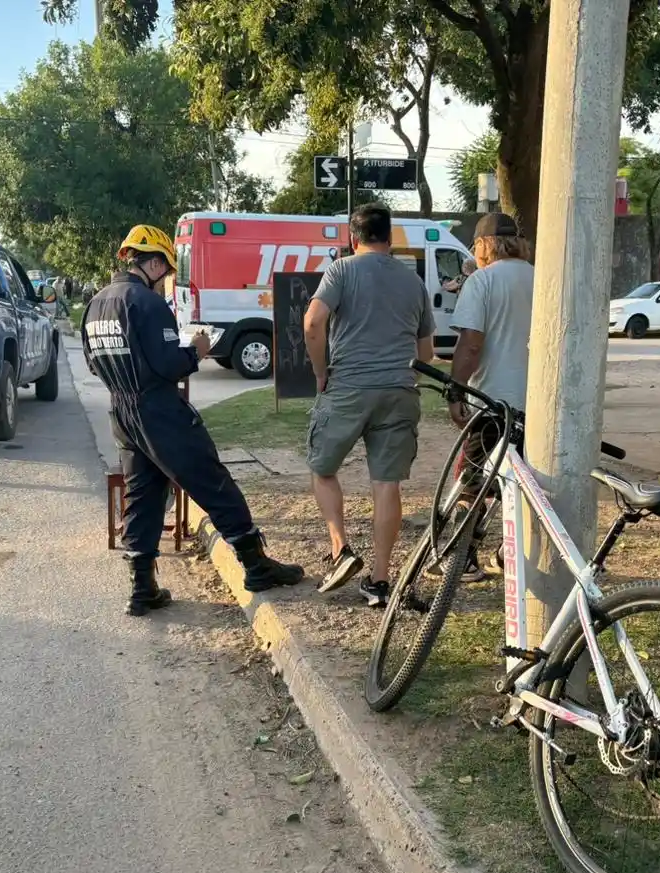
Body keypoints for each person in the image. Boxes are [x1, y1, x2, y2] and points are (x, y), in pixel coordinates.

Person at [82, 224, 304, 616]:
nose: (166, 277)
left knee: (142, 496)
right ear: (151, 262)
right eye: (166, 269)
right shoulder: (147, 304)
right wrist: (197, 350)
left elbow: (93, 363)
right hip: (160, 411)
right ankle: (255, 565)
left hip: (122, 410)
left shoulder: (96, 304)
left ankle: (142, 588)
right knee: (214, 483)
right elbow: (170, 365)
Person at [303, 203, 436, 608]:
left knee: (322, 469)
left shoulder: (341, 270)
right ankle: (379, 579)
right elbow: (426, 352)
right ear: (390, 237)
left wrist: (321, 373)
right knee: (386, 484)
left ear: (352, 237)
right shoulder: (412, 281)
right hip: (399, 389)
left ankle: (341, 548)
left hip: (348, 386)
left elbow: (313, 323)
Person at [438, 211, 534, 581]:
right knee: (522, 483)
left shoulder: (482, 281)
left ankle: (463, 559)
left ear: (483, 245)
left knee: (471, 479)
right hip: (536, 405)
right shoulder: (541, 277)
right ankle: (511, 554)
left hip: (493, 400)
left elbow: (470, 344)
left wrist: (455, 391)